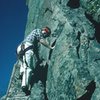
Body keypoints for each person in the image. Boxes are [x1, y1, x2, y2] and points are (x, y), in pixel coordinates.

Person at [16, 27, 54, 95]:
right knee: (29, 68)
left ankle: (21, 74)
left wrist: (38, 60)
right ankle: (25, 86)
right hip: (27, 47)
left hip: (20, 48)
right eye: (46, 35)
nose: (45, 36)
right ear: (45, 31)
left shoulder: (33, 37)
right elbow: (42, 40)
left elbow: (36, 52)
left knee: (24, 64)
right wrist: (50, 47)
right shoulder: (38, 31)